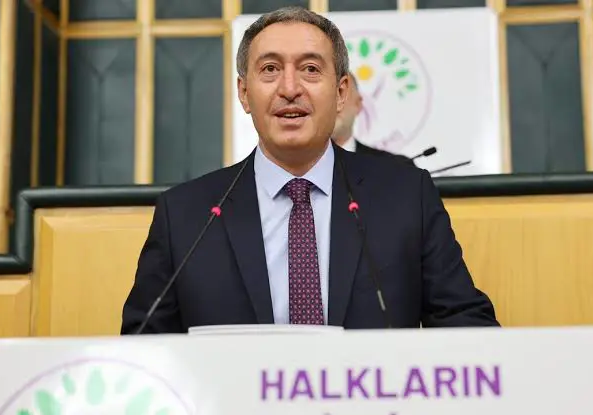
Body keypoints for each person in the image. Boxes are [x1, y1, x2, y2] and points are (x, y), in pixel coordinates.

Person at [121, 6, 498, 333]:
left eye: (311, 69)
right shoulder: (185, 215)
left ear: (341, 93)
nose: (289, 88)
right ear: (244, 93)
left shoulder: (406, 196)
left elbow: (466, 323)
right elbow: (145, 346)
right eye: (270, 69)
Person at [332, 72, 414, 165]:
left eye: (340, 92)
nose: (332, 104)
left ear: (358, 104)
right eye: (325, 95)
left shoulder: (398, 167)